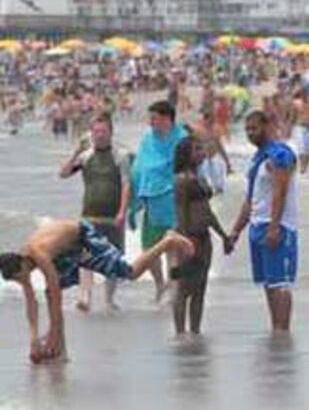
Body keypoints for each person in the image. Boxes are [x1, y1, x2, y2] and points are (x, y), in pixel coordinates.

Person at [0, 220, 194, 363]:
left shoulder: (39, 254)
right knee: (49, 295)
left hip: (83, 238)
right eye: (18, 281)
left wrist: (52, 332)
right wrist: (33, 339)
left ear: (23, 263)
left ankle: (167, 242)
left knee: (129, 272)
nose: (23, 281)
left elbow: (57, 293)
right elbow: (31, 303)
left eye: (21, 276)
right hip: (64, 251)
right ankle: (60, 352)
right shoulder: (21, 263)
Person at [226, 111, 299, 332]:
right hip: (257, 225)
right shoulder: (258, 158)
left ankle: (283, 331)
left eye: (254, 128)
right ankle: (275, 328)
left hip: (277, 226)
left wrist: (275, 227)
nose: (250, 133)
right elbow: (251, 199)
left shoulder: (279, 155)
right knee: (268, 283)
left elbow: (281, 192)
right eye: (247, 129)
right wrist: (235, 232)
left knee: (279, 283)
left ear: (268, 126)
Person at [59, 114, 131, 312]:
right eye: (96, 131)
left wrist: (122, 211)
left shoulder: (120, 156)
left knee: (113, 259)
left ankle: (109, 299)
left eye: (103, 131)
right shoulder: (85, 156)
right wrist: (75, 152)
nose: (99, 135)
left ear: (110, 132)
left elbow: (126, 185)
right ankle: (85, 298)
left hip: (112, 216)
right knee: (85, 258)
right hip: (89, 215)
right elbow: (63, 173)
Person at [171, 137, 229, 336]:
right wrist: (186, 241)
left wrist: (223, 235)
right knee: (184, 289)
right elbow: (180, 212)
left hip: (204, 238)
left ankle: (195, 333)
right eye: (197, 150)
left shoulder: (200, 178)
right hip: (189, 239)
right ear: (186, 154)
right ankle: (180, 333)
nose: (202, 153)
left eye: (202, 149)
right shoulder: (182, 180)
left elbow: (207, 211)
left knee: (200, 289)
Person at [130, 100, 187, 303]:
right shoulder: (147, 140)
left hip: (175, 202)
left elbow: (191, 168)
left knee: (173, 250)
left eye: (154, 118)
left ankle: (175, 291)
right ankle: (160, 284)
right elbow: (138, 169)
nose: (150, 123)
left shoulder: (182, 139)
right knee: (149, 250)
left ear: (166, 118)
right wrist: (133, 201)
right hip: (151, 202)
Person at [193, 110, 233, 195]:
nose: (211, 124)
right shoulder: (198, 132)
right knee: (203, 178)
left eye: (212, 121)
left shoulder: (215, 131)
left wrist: (228, 163)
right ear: (204, 120)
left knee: (219, 183)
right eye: (209, 121)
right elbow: (193, 146)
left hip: (214, 157)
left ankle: (218, 192)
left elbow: (220, 147)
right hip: (203, 158)